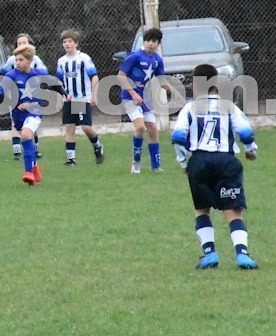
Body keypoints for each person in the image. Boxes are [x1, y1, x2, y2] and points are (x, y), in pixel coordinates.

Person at [172, 64, 259, 270]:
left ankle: (210, 254)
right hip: (226, 162)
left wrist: (184, 162)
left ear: (194, 85)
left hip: (200, 162)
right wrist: (250, 150)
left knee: (202, 210)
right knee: (233, 212)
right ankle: (242, 255)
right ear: (216, 85)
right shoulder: (229, 106)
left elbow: (177, 137)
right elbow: (246, 133)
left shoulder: (189, 108)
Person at [0, 46, 65, 184]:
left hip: (34, 112)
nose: (17, 63)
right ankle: (35, 168)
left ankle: (28, 173)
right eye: (16, 60)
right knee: (26, 139)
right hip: (18, 115)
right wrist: (12, 102)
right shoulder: (11, 76)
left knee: (26, 135)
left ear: (30, 61)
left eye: (21, 60)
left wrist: (65, 94)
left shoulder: (37, 74)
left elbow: (54, 83)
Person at [117, 27, 171, 173]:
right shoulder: (135, 56)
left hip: (146, 98)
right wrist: (133, 94)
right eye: (148, 40)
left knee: (153, 129)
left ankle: (155, 166)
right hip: (130, 97)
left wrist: (173, 90)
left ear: (158, 43)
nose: (150, 43)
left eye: (153, 41)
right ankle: (136, 163)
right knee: (140, 127)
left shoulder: (157, 60)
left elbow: (161, 79)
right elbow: (121, 76)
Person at [55, 29, 104, 166]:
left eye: (70, 41)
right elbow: (59, 81)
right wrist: (61, 96)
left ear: (76, 43)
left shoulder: (84, 59)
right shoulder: (61, 61)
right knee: (69, 128)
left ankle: (97, 146)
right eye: (64, 42)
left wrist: (94, 95)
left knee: (86, 127)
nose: (67, 44)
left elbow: (94, 77)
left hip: (82, 98)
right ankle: (71, 159)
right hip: (69, 99)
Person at [1, 33, 47, 160]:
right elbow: (3, 74)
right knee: (16, 121)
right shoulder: (12, 60)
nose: (22, 45)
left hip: (32, 95)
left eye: (24, 43)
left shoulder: (36, 60)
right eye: (19, 43)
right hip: (16, 96)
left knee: (31, 123)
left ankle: (35, 149)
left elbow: (45, 75)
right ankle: (17, 151)